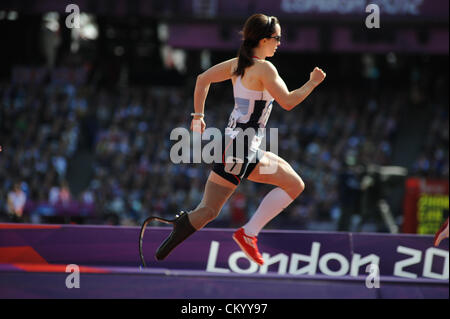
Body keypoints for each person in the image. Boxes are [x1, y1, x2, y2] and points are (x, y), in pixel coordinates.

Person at [154, 13, 326, 265]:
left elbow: (203, 80)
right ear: (263, 40)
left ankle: (247, 233)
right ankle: (194, 231)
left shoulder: (239, 64)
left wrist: (198, 116)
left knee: (294, 184)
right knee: (209, 211)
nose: (279, 43)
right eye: (276, 38)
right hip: (240, 148)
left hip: (240, 145)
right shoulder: (265, 68)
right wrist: (312, 83)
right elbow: (288, 102)